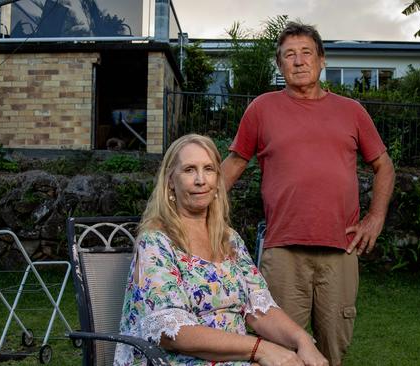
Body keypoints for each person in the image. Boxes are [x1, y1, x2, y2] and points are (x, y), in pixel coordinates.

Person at [221, 22, 396, 365]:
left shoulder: (352, 111)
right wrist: (192, 212)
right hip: (283, 250)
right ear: (280, 65)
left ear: (321, 60)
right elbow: (234, 163)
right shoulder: (262, 108)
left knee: (333, 348)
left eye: (306, 53)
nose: (299, 61)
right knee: (279, 348)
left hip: (341, 248)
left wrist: (375, 218)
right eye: (289, 55)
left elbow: (384, 165)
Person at [114, 134, 328, 366]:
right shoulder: (156, 242)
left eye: (208, 169)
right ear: (170, 182)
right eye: (189, 170)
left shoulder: (229, 240)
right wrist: (260, 349)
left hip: (234, 358)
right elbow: (174, 333)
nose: (200, 180)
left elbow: (260, 310)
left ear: (217, 180)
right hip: (174, 359)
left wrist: (302, 340)